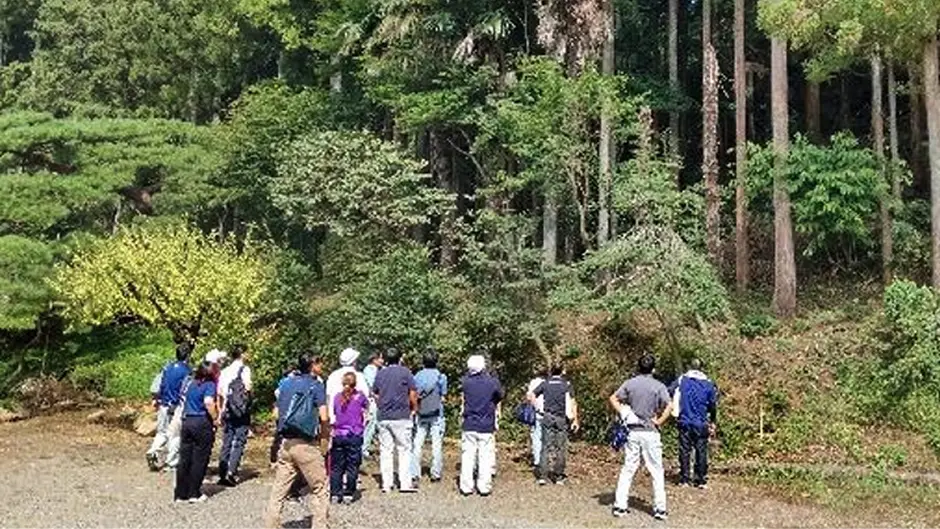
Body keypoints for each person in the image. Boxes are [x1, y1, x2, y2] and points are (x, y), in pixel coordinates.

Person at [265, 352, 331, 529]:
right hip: (305, 444)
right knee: (319, 487)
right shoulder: (316, 386)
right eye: (320, 363)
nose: (322, 366)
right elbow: (324, 417)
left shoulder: (286, 384)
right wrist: (324, 439)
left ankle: (271, 525)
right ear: (312, 365)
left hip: (286, 444)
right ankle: (320, 526)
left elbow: (276, 413)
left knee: (279, 490)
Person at [608, 354, 672, 520]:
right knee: (656, 470)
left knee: (628, 468)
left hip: (633, 431)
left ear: (638, 367)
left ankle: (620, 506)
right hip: (651, 432)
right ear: (654, 369)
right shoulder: (658, 386)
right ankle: (660, 509)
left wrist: (624, 412)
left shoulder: (630, 383)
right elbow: (669, 406)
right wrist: (659, 421)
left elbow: (613, 398)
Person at [372, 347, 417, 493]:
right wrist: (414, 408)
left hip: (384, 416)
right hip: (401, 415)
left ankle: (387, 484)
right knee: (404, 450)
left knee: (386, 451)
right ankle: (405, 483)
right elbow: (412, 393)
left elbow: (376, 394)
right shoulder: (406, 372)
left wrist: (381, 405)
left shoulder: (381, 373)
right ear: (400, 358)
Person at [174, 361, 219, 503]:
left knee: (185, 458)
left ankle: (180, 493)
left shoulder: (191, 383)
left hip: (187, 421)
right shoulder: (209, 385)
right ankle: (194, 493)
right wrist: (215, 418)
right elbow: (208, 402)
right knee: (200, 458)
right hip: (201, 422)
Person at [459, 354, 504, 496]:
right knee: (485, 456)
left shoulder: (465, 382)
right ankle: (484, 486)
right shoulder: (492, 382)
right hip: (486, 423)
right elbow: (499, 395)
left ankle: (466, 486)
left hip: (469, 423)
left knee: (467, 456)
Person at [529, 363, 579, 485]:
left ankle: (542, 476)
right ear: (562, 371)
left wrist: (538, 408)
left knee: (545, 446)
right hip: (561, 418)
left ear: (551, 371)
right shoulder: (566, 384)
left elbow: (531, 395)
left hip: (547, 417)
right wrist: (575, 419)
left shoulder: (545, 383)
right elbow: (573, 402)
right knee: (560, 447)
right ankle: (559, 476)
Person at [671, 358, 718, 489]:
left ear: (689, 367)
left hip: (684, 420)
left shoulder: (682, 380)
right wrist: (713, 421)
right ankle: (700, 479)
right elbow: (713, 405)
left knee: (684, 450)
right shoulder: (708, 384)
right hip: (701, 423)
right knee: (701, 451)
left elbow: (669, 391)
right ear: (702, 368)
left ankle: (685, 479)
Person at [147, 342, 192, 471]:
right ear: (188, 355)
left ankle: (153, 451)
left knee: (162, 432)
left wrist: (156, 399)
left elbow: (158, 386)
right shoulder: (187, 371)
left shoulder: (167, 367)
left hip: (163, 403)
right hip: (177, 405)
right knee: (176, 434)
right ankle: (171, 462)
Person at [330, 372, 369, 504]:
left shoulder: (337, 397)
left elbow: (336, 412)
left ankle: (335, 493)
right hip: (354, 434)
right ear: (355, 383)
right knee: (352, 466)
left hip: (339, 434)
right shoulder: (360, 397)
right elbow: (367, 407)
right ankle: (349, 493)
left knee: (336, 466)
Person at [217, 344, 253, 487]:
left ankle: (222, 472)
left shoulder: (224, 371)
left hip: (227, 409)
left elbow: (220, 392)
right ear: (242, 354)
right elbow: (248, 387)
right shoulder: (245, 369)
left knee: (226, 441)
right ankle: (231, 472)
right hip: (240, 410)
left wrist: (220, 411)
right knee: (239, 440)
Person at [411, 348, 448, 483]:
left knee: (417, 442)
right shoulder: (441, 377)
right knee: (436, 444)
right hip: (437, 413)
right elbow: (443, 397)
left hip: (421, 412)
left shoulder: (417, 376)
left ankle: (415, 472)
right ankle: (435, 473)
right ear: (436, 361)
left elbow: (414, 394)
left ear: (423, 361)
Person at [326, 348, 370, 423]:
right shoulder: (359, 376)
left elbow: (328, 397)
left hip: (336, 420)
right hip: (355, 422)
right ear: (354, 362)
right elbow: (366, 396)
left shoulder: (333, 375)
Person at [361, 351, 384, 459]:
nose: (382, 361)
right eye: (381, 358)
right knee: (370, 424)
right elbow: (372, 387)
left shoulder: (375, 370)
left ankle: (366, 445)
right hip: (371, 401)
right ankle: (363, 448)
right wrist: (377, 398)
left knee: (373, 424)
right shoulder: (370, 370)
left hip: (373, 400)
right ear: (374, 359)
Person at [526, 369, 546, 468]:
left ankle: (537, 460)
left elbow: (529, 397)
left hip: (537, 412)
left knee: (536, 436)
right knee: (546, 437)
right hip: (549, 413)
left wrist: (535, 406)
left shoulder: (533, 382)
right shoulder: (549, 382)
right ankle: (545, 459)